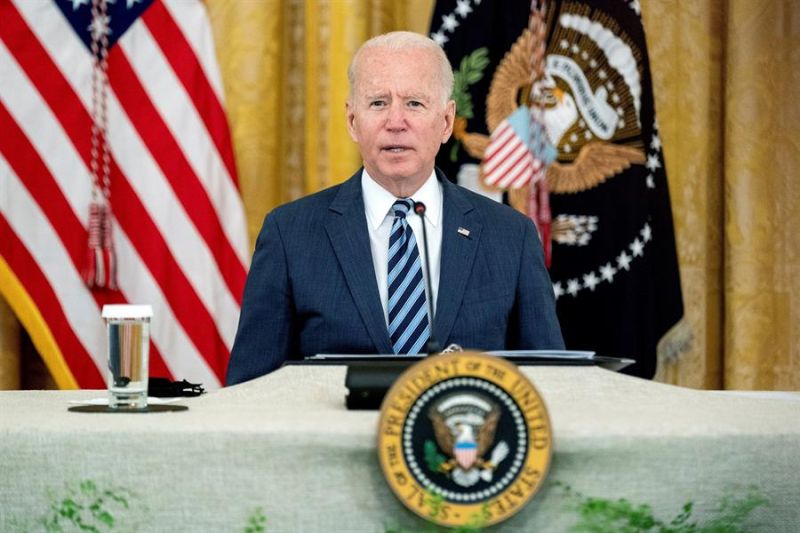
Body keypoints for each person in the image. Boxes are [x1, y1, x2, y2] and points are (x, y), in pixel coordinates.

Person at [226, 31, 563, 385]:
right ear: (353, 121)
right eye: (378, 103)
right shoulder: (289, 234)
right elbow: (250, 391)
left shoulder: (511, 236)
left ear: (446, 122)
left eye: (414, 103)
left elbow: (550, 385)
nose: (395, 121)